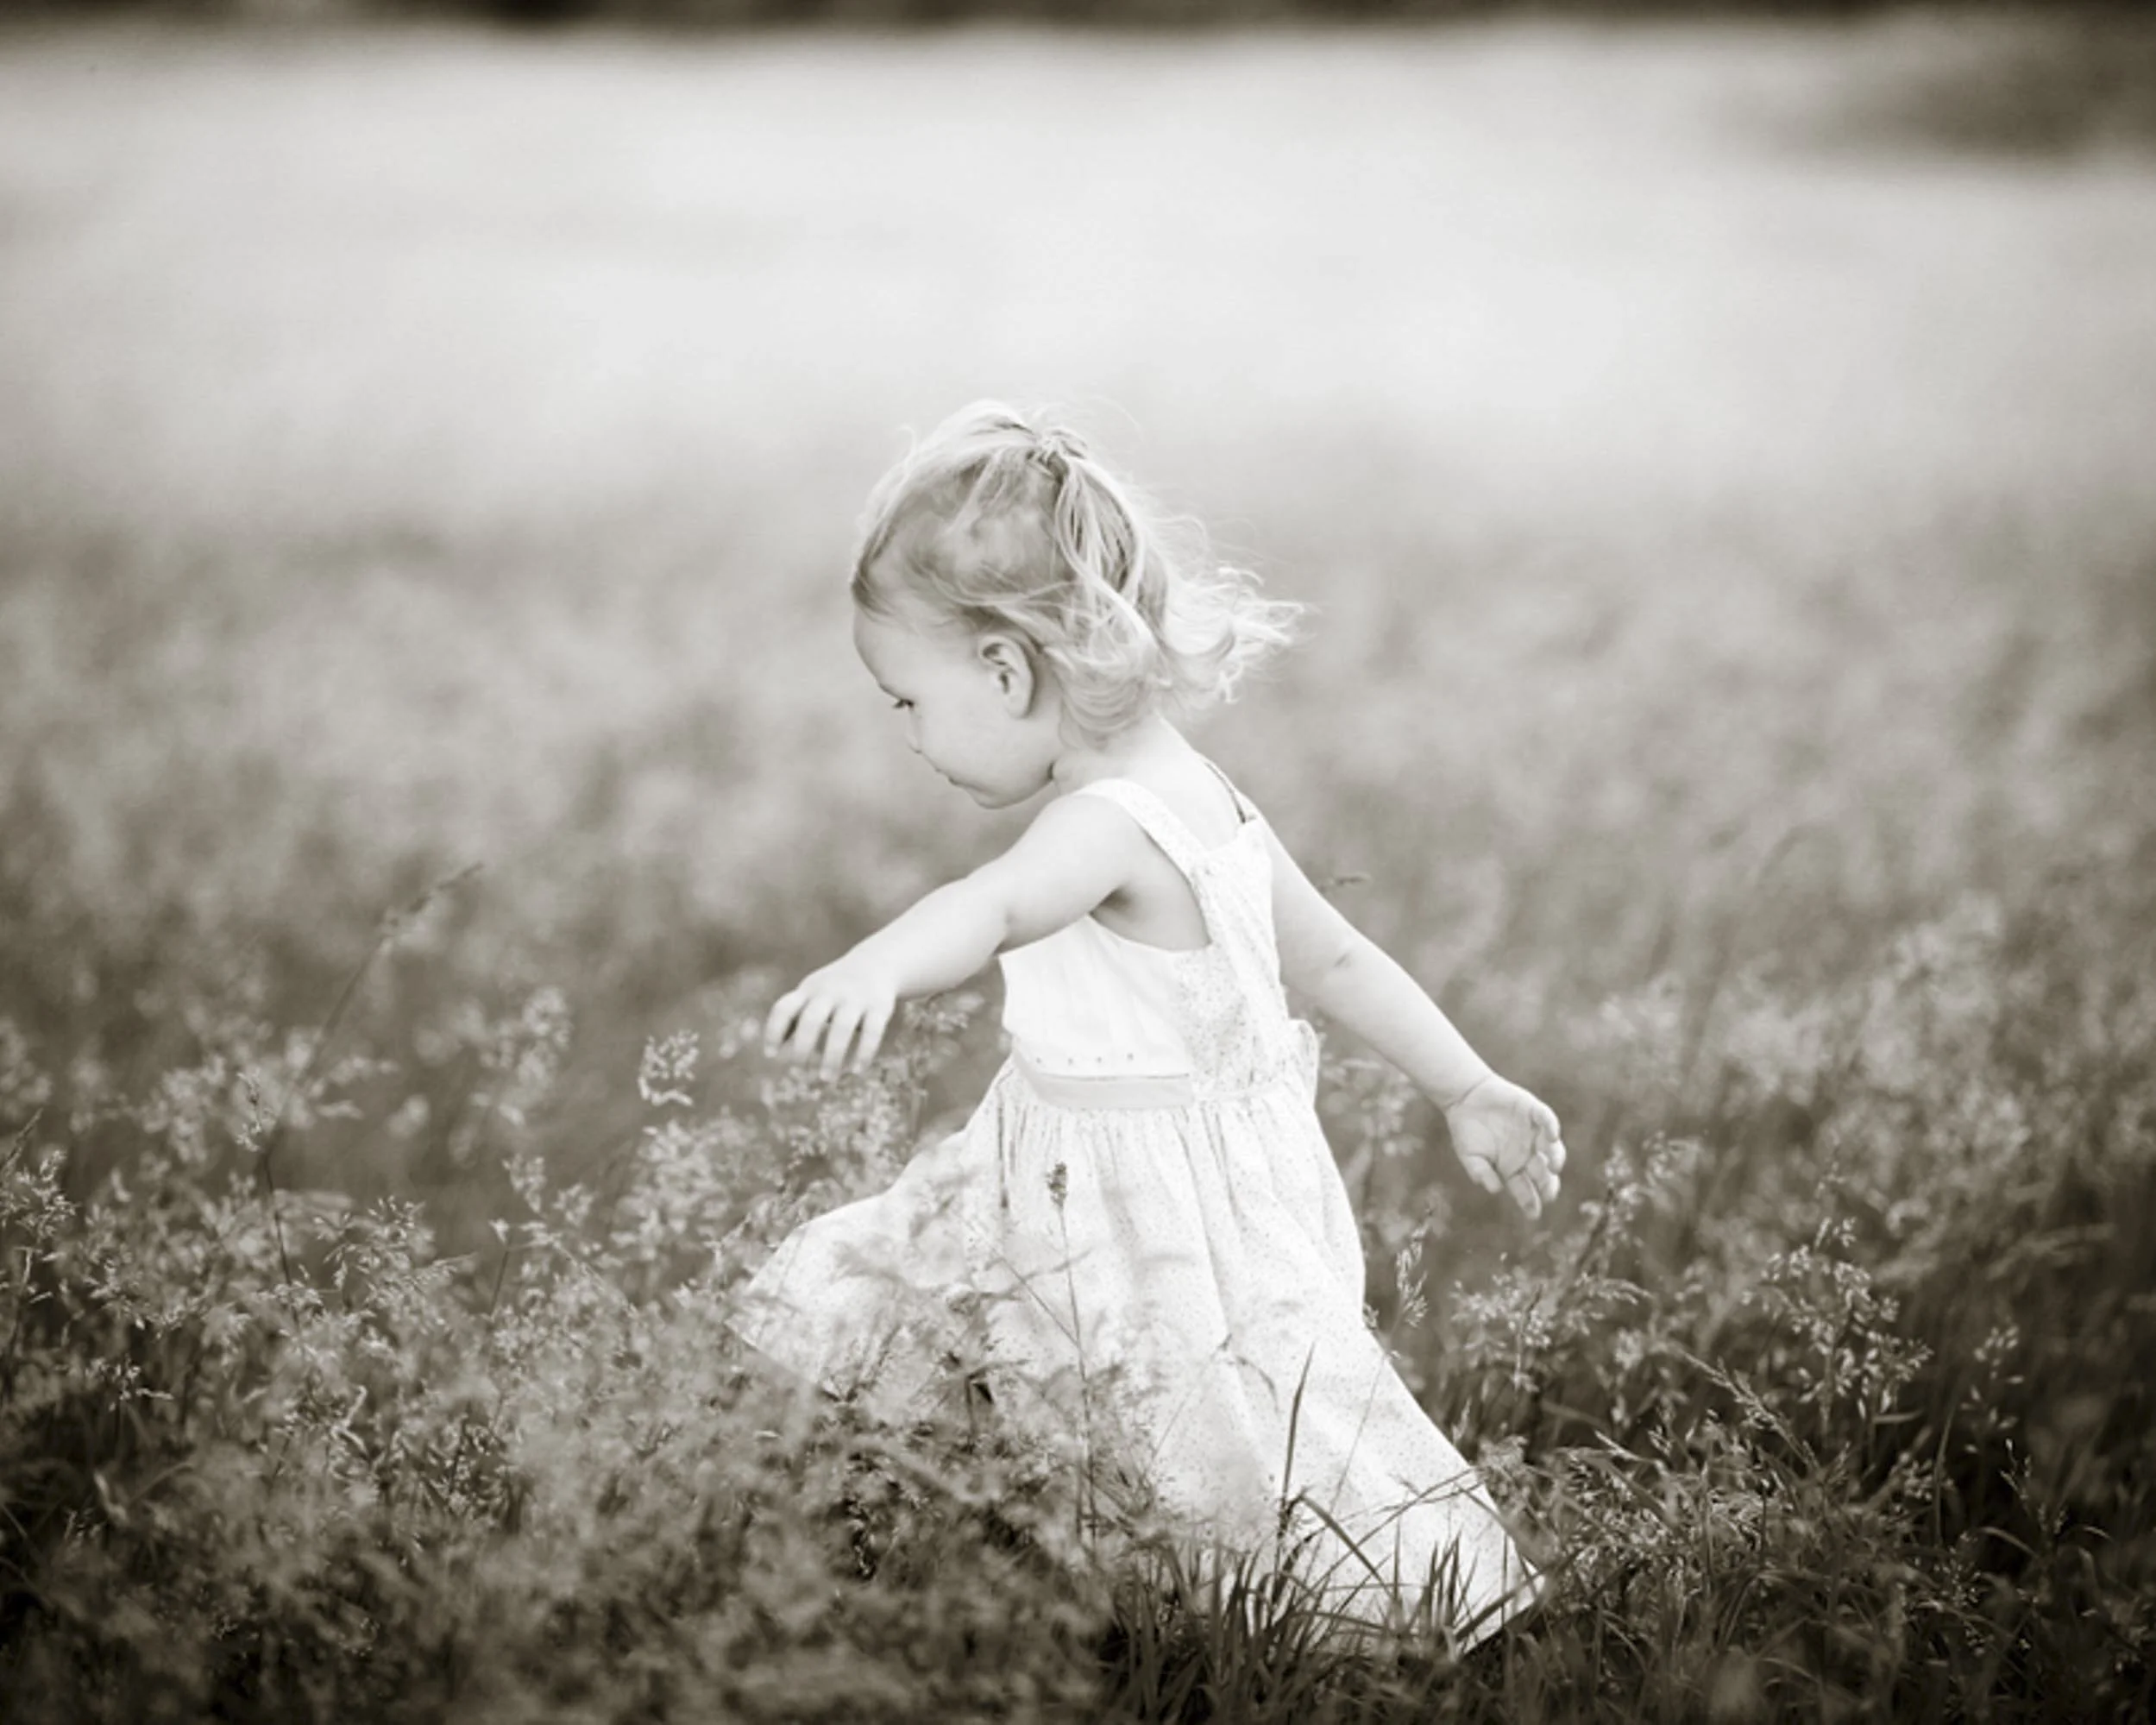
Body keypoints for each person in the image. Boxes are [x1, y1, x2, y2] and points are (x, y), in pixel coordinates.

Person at [731, 402, 1565, 1646]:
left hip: (1131, 1208)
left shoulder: (1103, 821)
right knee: (1150, 1402)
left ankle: (1264, 1614)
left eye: (904, 699)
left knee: (1203, 1432)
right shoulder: (1207, 795)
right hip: (1167, 1177)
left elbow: (992, 902)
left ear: (1007, 671)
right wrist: (1466, 1083)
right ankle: (1010, 1561)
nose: (901, 731)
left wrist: (876, 963)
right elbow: (1331, 954)